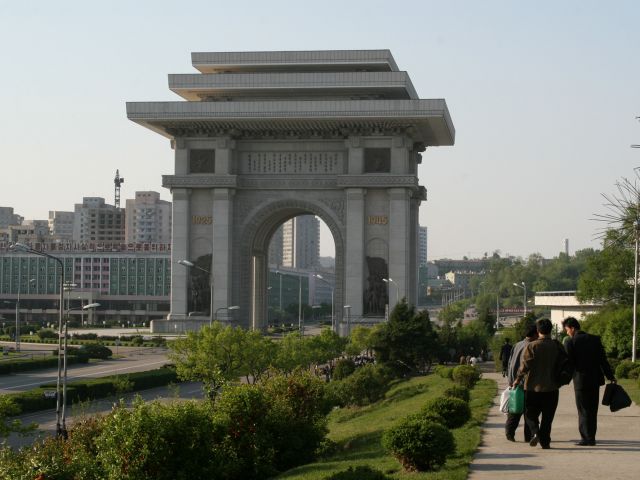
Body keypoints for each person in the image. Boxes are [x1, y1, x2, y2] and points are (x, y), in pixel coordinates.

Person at [513, 318, 566, 449]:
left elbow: (525, 366)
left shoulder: (532, 346)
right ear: (551, 330)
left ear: (538, 331)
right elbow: (565, 362)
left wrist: (517, 380)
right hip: (552, 387)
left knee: (530, 414)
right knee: (548, 417)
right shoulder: (557, 345)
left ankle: (535, 432)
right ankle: (545, 442)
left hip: (532, 388)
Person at [562, 316, 616, 446]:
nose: (567, 332)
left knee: (583, 409)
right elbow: (603, 360)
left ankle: (587, 438)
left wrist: (563, 379)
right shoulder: (594, 339)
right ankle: (591, 435)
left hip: (580, 381)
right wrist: (610, 376)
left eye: (567, 330)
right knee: (592, 409)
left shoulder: (570, 342)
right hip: (595, 380)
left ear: (572, 328)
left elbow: (569, 363)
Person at [505, 325, 538, 442]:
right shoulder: (532, 346)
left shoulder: (517, 345)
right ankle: (528, 436)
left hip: (514, 381)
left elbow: (510, 363)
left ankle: (509, 433)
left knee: (515, 409)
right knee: (528, 411)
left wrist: (510, 380)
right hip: (525, 382)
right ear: (534, 334)